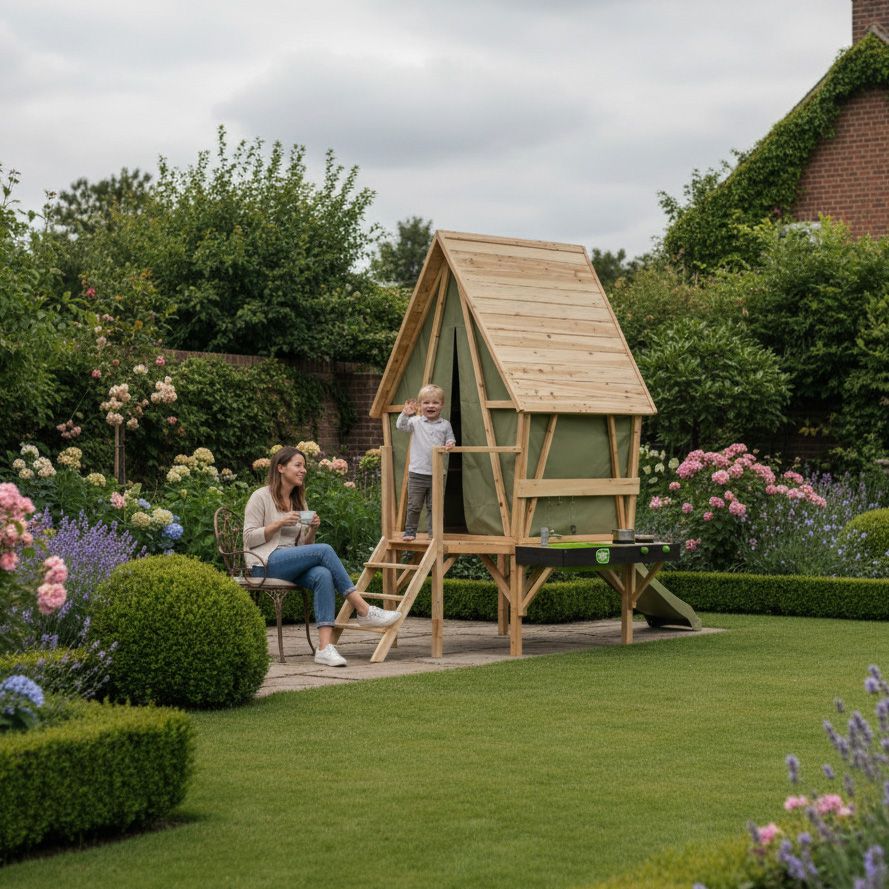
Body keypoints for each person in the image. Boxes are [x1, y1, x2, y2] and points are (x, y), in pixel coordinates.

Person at [243, 446, 400, 667]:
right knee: (324, 550)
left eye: (304, 466)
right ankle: (363, 609)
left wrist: (312, 530)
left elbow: (305, 548)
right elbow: (249, 538)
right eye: (298, 465)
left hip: (288, 563)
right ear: (280, 468)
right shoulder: (260, 497)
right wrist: (278, 523)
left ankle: (325, 648)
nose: (303, 470)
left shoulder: (298, 501)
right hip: (264, 563)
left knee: (322, 574)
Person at [395, 383, 456, 541]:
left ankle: (434, 534)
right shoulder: (416, 422)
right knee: (414, 505)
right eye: (426, 402)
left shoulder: (445, 425)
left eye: (435, 402)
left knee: (434, 506)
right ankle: (410, 531)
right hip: (417, 472)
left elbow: (450, 439)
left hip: (437, 473)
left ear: (442, 405)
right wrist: (405, 414)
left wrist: (450, 444)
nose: (431, 406)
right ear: (420, 405)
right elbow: (401, 426)